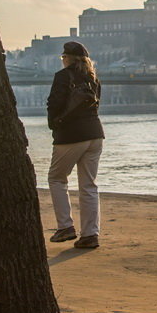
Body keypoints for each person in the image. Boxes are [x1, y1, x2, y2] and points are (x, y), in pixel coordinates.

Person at [46, 40, 104, 249]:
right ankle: (90, 234)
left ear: (67, 59)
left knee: (57, 178)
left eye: (63, 57)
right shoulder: (93, 78)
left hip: (71, 135)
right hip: (95, 134)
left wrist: (54, 125)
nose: (62, 60)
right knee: (88, 185)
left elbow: (54, 104)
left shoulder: (63, 77)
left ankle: (65, 227)